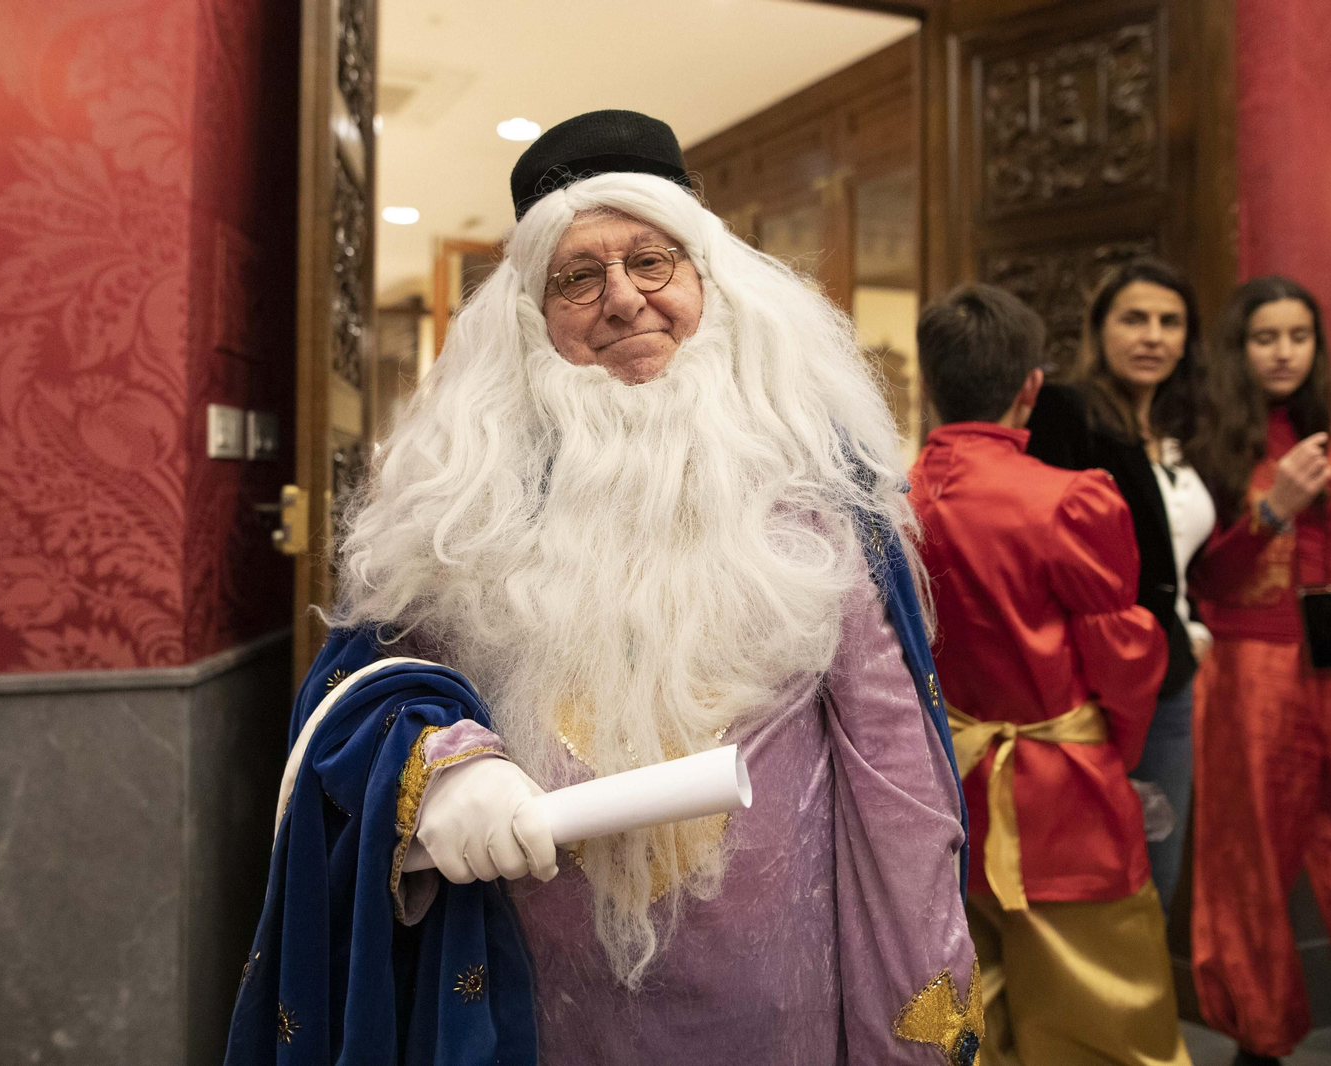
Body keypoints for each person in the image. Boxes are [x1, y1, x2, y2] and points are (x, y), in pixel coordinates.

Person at [224, 110, 982, 1066]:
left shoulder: (825, 501)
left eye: (653, 262)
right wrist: (447, 769)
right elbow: (358, 693)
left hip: (776, 1007)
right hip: (531, 1005)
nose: (623, 300)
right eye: (578, 278)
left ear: (712, 284)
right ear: (533, 321)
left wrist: (905, 1030)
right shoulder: (459, 504)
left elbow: (898, 787)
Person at [910, 284, 1189, 1066]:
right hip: (1064, 793)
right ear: (1032, 386)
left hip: (935, 794)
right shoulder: (1070, 501)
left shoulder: (887, 502)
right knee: (1106, 1018)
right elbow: (1127, 658)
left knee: (967, 1012)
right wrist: (1114, 753)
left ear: (930, 384)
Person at [1186, 275, 1331, 1064]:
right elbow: (1201, 578)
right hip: (1249, 674)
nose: (1283, 352)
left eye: (1298, 336)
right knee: (1248, 868)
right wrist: (1271, 510)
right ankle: (1259, 1038)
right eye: (1264, 337)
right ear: (1238, 349)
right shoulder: (1209, 442)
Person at [1025, 259, 1214, 913]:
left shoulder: (1180, 431)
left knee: (1156, 877)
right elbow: (1045, 550)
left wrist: (1194, 630)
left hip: (1172, 679)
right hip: (1097, 687)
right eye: (1134, 319)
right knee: (1101, 882)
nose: (1153, 336)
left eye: (1171, 322)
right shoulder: (1066, 412)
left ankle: (1149, 1018)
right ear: (1100, 330)